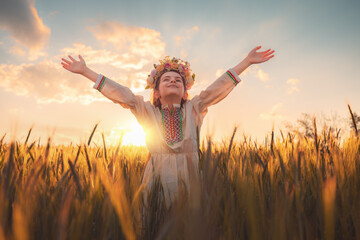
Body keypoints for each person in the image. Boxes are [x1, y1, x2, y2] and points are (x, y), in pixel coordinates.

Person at [61, 46, 274, 209]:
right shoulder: (146, 112)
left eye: (178, 80)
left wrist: (247, 61)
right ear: (156, 92)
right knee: (156, 219)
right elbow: (122, 93)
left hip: (189, 177)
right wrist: (86, 71)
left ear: (184, 92)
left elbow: (215, 89)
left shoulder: (194, 109)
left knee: (187, 224)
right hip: (156, 177)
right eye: (166, 79)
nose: (173, 81)